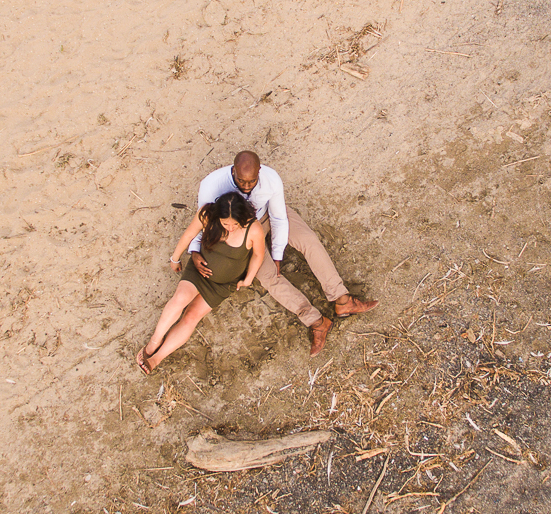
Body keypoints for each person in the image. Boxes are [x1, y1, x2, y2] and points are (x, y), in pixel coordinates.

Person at [187, 151, 377, 356]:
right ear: (233, 171)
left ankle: (342, 300)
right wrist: (194, 250)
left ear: (260, 171)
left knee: (309, 241)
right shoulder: (211, 185)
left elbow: (278, 217)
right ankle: (316, 321)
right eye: (241, 180)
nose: (247, 186)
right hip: (242, 233)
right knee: (269, 277)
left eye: (252, 181)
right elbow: (204, 221)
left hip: (268, 215)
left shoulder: (271, 179)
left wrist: (278, 253)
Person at [138, 192, 265, 374]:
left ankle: (157, 359)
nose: (230, 227)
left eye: (235, 224)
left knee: (191, 316)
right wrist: (175, 259)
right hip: (199, 271)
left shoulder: (253, 228)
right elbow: (189, 234)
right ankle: (154, 343)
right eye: (225, 223)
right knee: (180, 298)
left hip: (221, 284)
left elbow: (258, 255)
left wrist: (248, 279)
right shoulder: (207, 214)